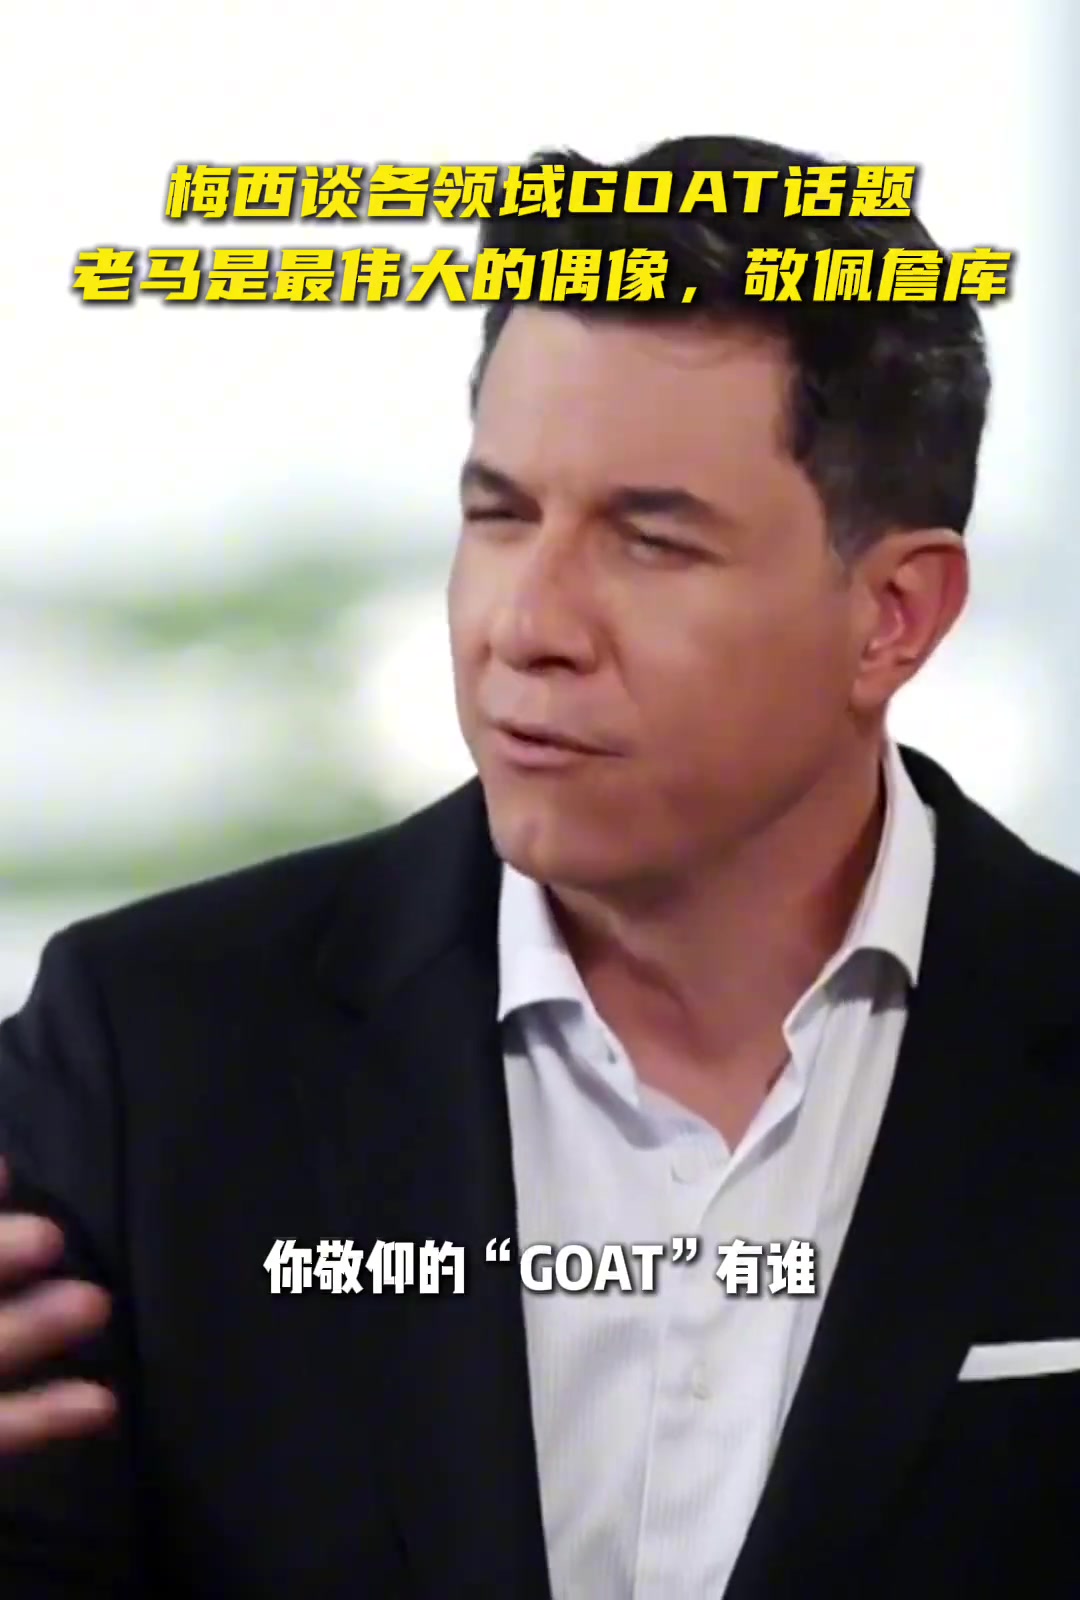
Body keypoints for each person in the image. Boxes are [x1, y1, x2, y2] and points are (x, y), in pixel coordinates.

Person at [0, 133, 1077, 1599]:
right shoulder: (151, 1058)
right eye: (500, 514)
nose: (527, 624)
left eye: (651, 541)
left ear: (895, 615)